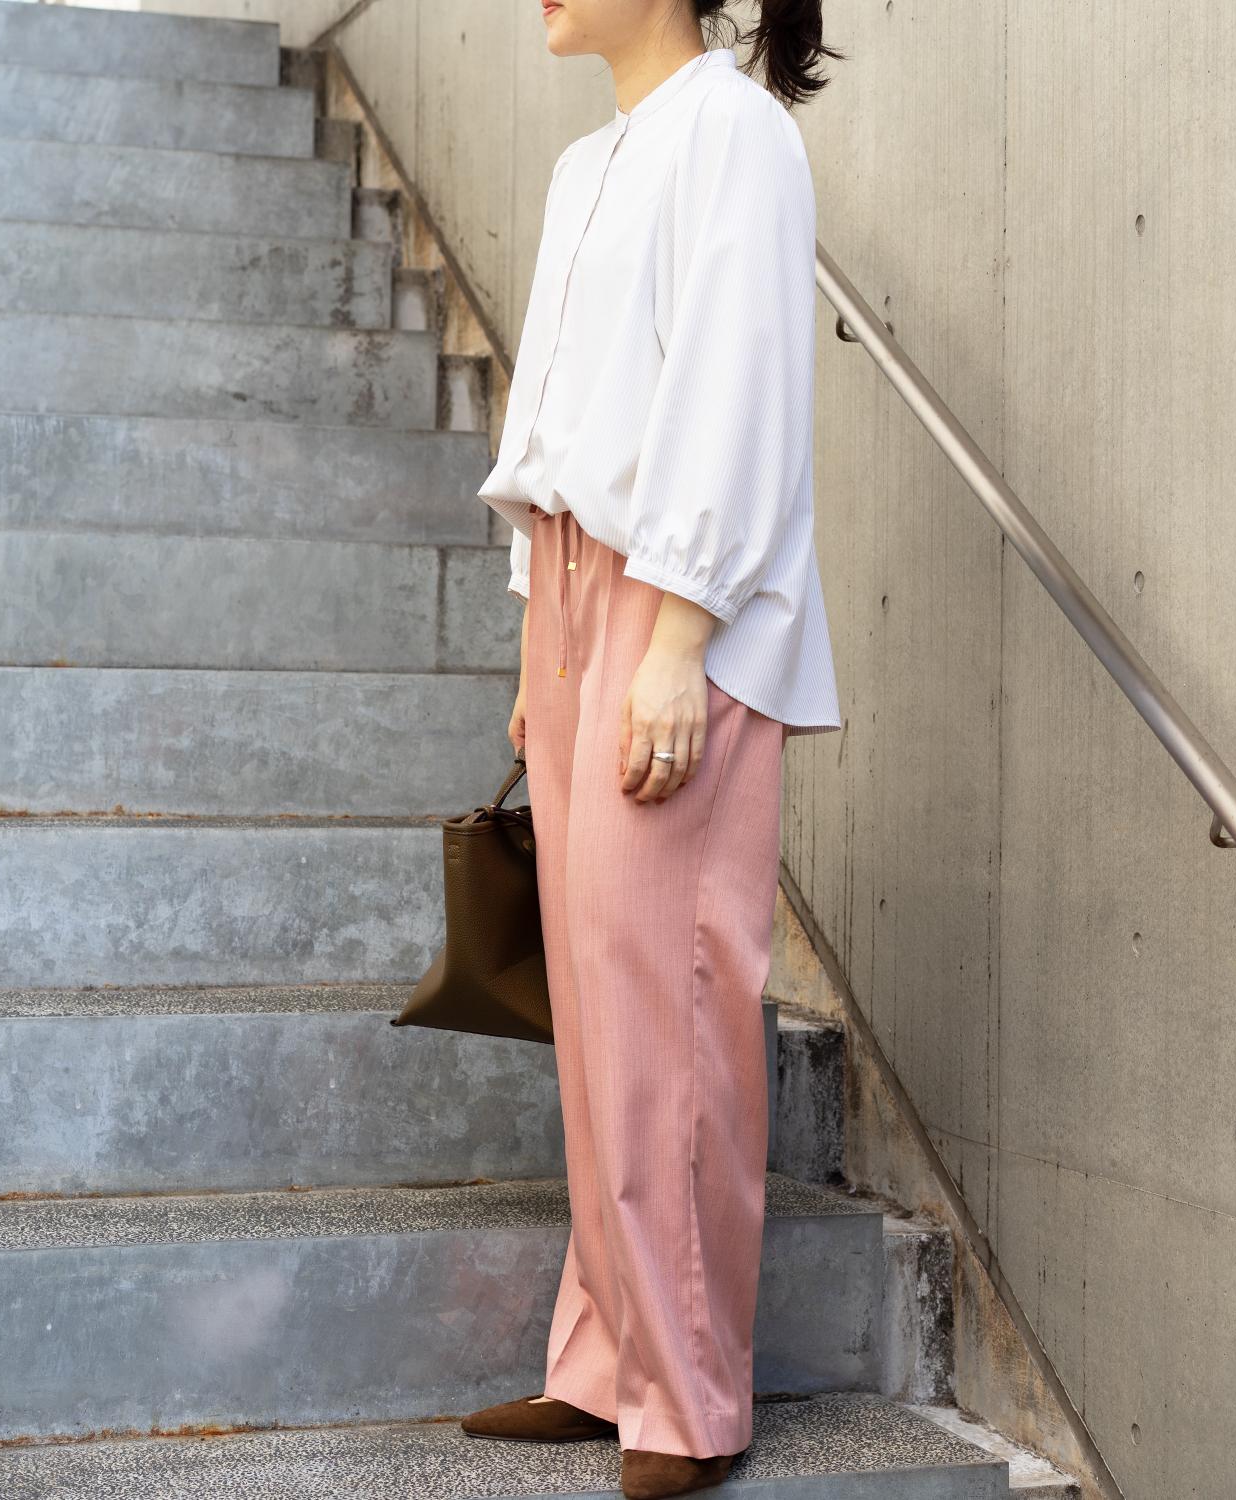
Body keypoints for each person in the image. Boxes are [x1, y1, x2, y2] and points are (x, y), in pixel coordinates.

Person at [463, 1, 844, 1495]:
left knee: (671, 995)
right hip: (570, 597)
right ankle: (606, 1357)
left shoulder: (736, 133)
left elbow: (738, 392)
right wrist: (533, 651)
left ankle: (688, 1397)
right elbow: (557, 419)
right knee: (599, 999)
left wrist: (678, 639)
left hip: (672, 603)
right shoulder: (590, 164)